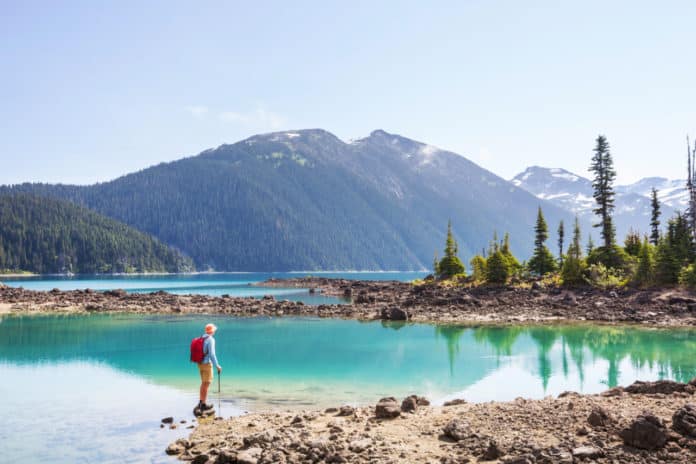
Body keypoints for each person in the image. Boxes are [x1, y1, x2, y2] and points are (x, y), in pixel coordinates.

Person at [197, 323, 222, 411]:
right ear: (212, 331)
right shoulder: (210, 339)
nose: (214, 331)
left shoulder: (201, 337)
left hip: (199, 363)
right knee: (206, 384)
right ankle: (203, 404)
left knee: (203, 383)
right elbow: (212, 354)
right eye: (214, 330)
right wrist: (217, 365)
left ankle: (200, 402)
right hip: (207, 364)